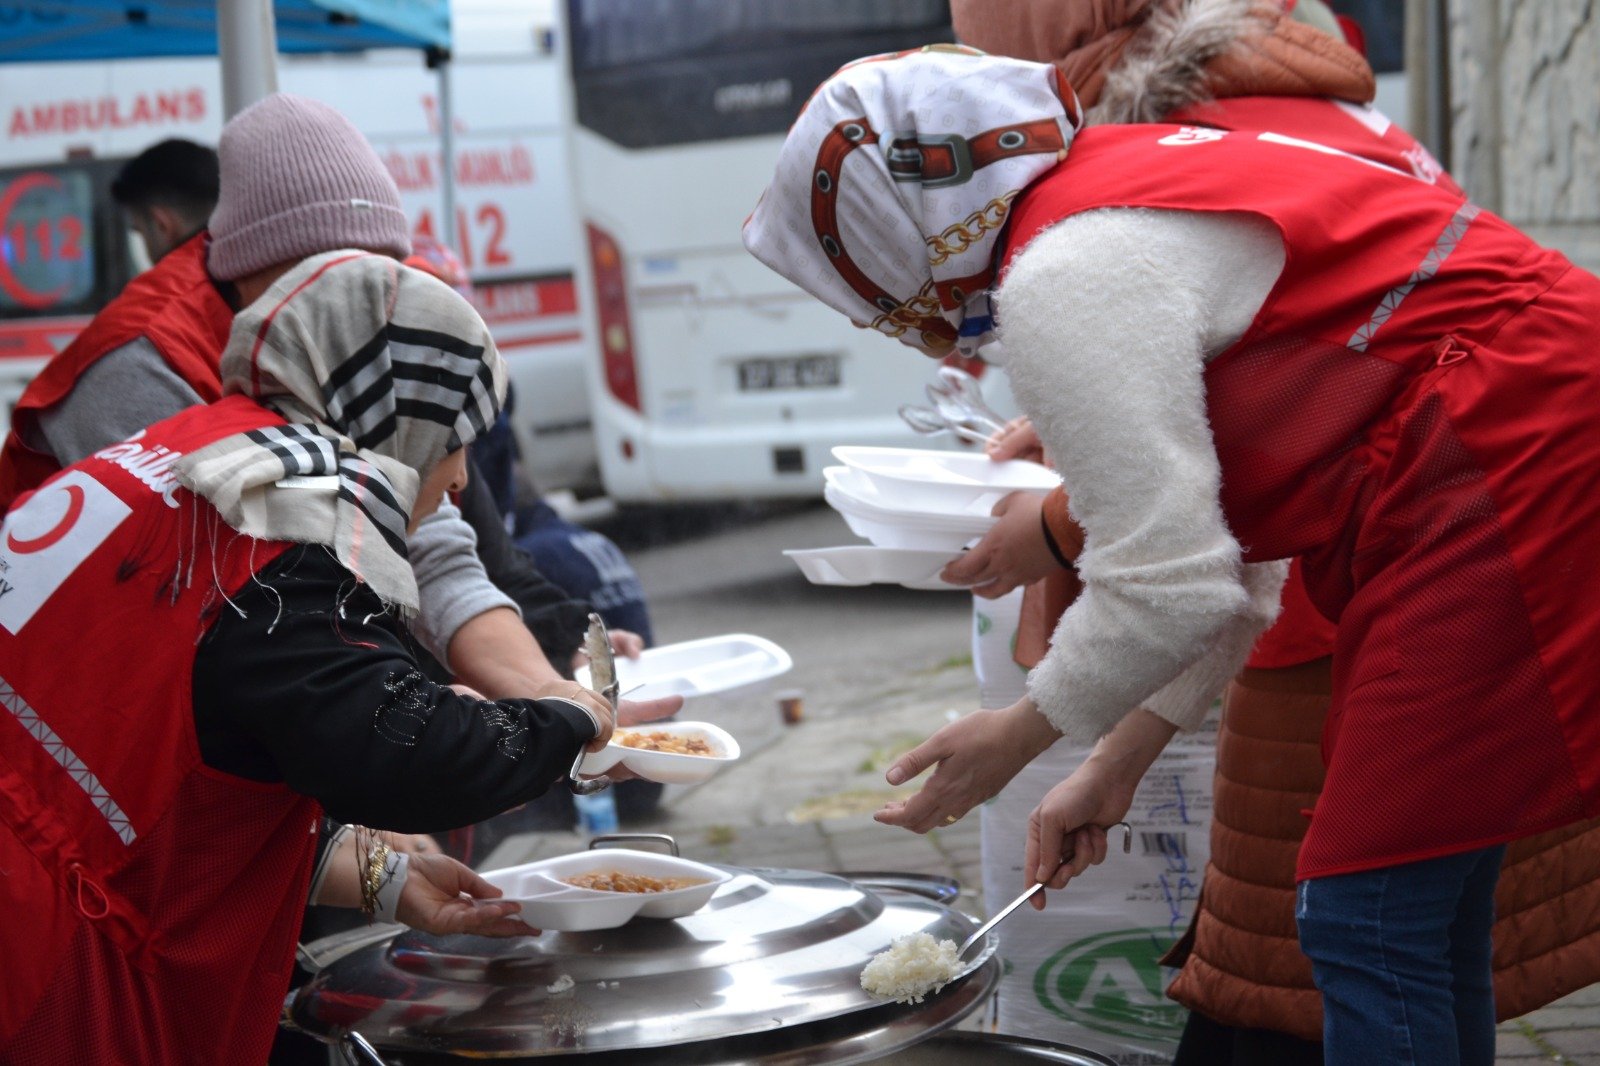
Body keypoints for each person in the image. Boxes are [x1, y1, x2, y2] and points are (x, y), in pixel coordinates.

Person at [744, 46, 1600, 1065]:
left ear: (890, 225)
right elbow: (1233, 566)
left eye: (853, 278)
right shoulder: (1121, 180)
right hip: (1516, 434)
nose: (880, 317)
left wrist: (1019, 735)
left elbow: (1171, 583)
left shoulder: (1064, 274)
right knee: (1412, 900)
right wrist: (1113, 765)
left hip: (1507, 459)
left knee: (1365, 914)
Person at [0, 250, 669, 1062]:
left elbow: (168, 748)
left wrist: (381, 876)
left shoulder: (193, 455)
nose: (461, 479)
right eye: (455, 439)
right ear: (396, 416)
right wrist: (572, 719)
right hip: (46, 964)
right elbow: (404, 753)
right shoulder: (279, 528)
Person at [0, 101, 643, 710]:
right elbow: (242, 627)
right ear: (268, 272)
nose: (376, 305)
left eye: (388, 278)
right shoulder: (138, 367)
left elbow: (429, 537)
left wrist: (553, 693)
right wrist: (424, 724)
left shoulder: (357, 323)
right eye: (351, 281)